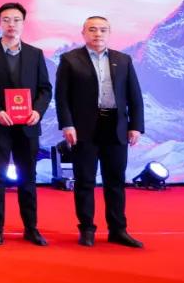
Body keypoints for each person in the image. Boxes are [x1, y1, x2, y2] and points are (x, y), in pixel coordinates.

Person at [55, 16, 145, 248]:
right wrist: (67, 124)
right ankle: (87, 229)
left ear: (109, 33)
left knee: (115, 180)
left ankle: (118, 230)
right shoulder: (70, 60)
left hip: (116, 127)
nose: (98, 34)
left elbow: (135, 96)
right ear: (83, 33)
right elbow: (62, 97)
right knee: (85, 180)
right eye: (92, 29)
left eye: (103, 30)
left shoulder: (123, 60)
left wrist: (136, 126)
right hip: (83, 128)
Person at [0, 2, 52, 246]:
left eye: (16, 20)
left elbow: (45, 89)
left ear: (23, 23)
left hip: (28, 125)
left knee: (28, 177)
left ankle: (31, 227)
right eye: (6, 20)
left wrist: (38, 111)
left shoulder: (35, 54)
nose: (11, 24)